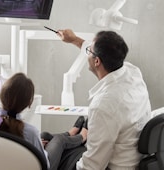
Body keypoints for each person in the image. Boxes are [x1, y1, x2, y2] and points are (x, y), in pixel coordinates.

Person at [56, 29, 151, 170]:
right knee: (63, 143)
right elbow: (103, 50)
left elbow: (93, 166)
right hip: (130, 156)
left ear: (97, 61)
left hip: (110, 166)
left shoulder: (104, 105)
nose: (87, 51)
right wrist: (74, 39)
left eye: (89, 50)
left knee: (58, 147)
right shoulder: (133, 72)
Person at [0, 72, 88, 170]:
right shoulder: (30, 132)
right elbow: (44, 164)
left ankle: (70, 133)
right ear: (29, 103)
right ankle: (82, 137)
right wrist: (40, 150)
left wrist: (37, 145)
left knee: (44, 135)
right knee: (60, 140)